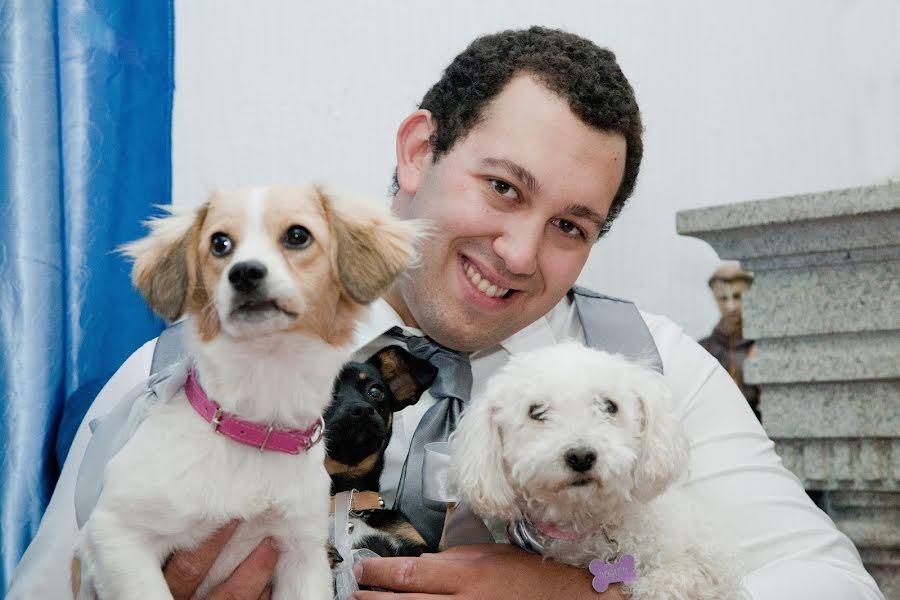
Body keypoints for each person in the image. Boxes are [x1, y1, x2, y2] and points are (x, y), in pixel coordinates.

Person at [7, 26, 883, 600]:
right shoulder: (185, 372)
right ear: (420, 149)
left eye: (569, 227)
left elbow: (828, 584)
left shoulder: (648, 372)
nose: (518, 253)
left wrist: (588, 594)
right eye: (502, 188)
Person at [698, 262, 761, 420]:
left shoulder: (761, 345)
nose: (731, 306)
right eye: (723, 298)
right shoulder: (703, 349)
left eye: (737, 296)